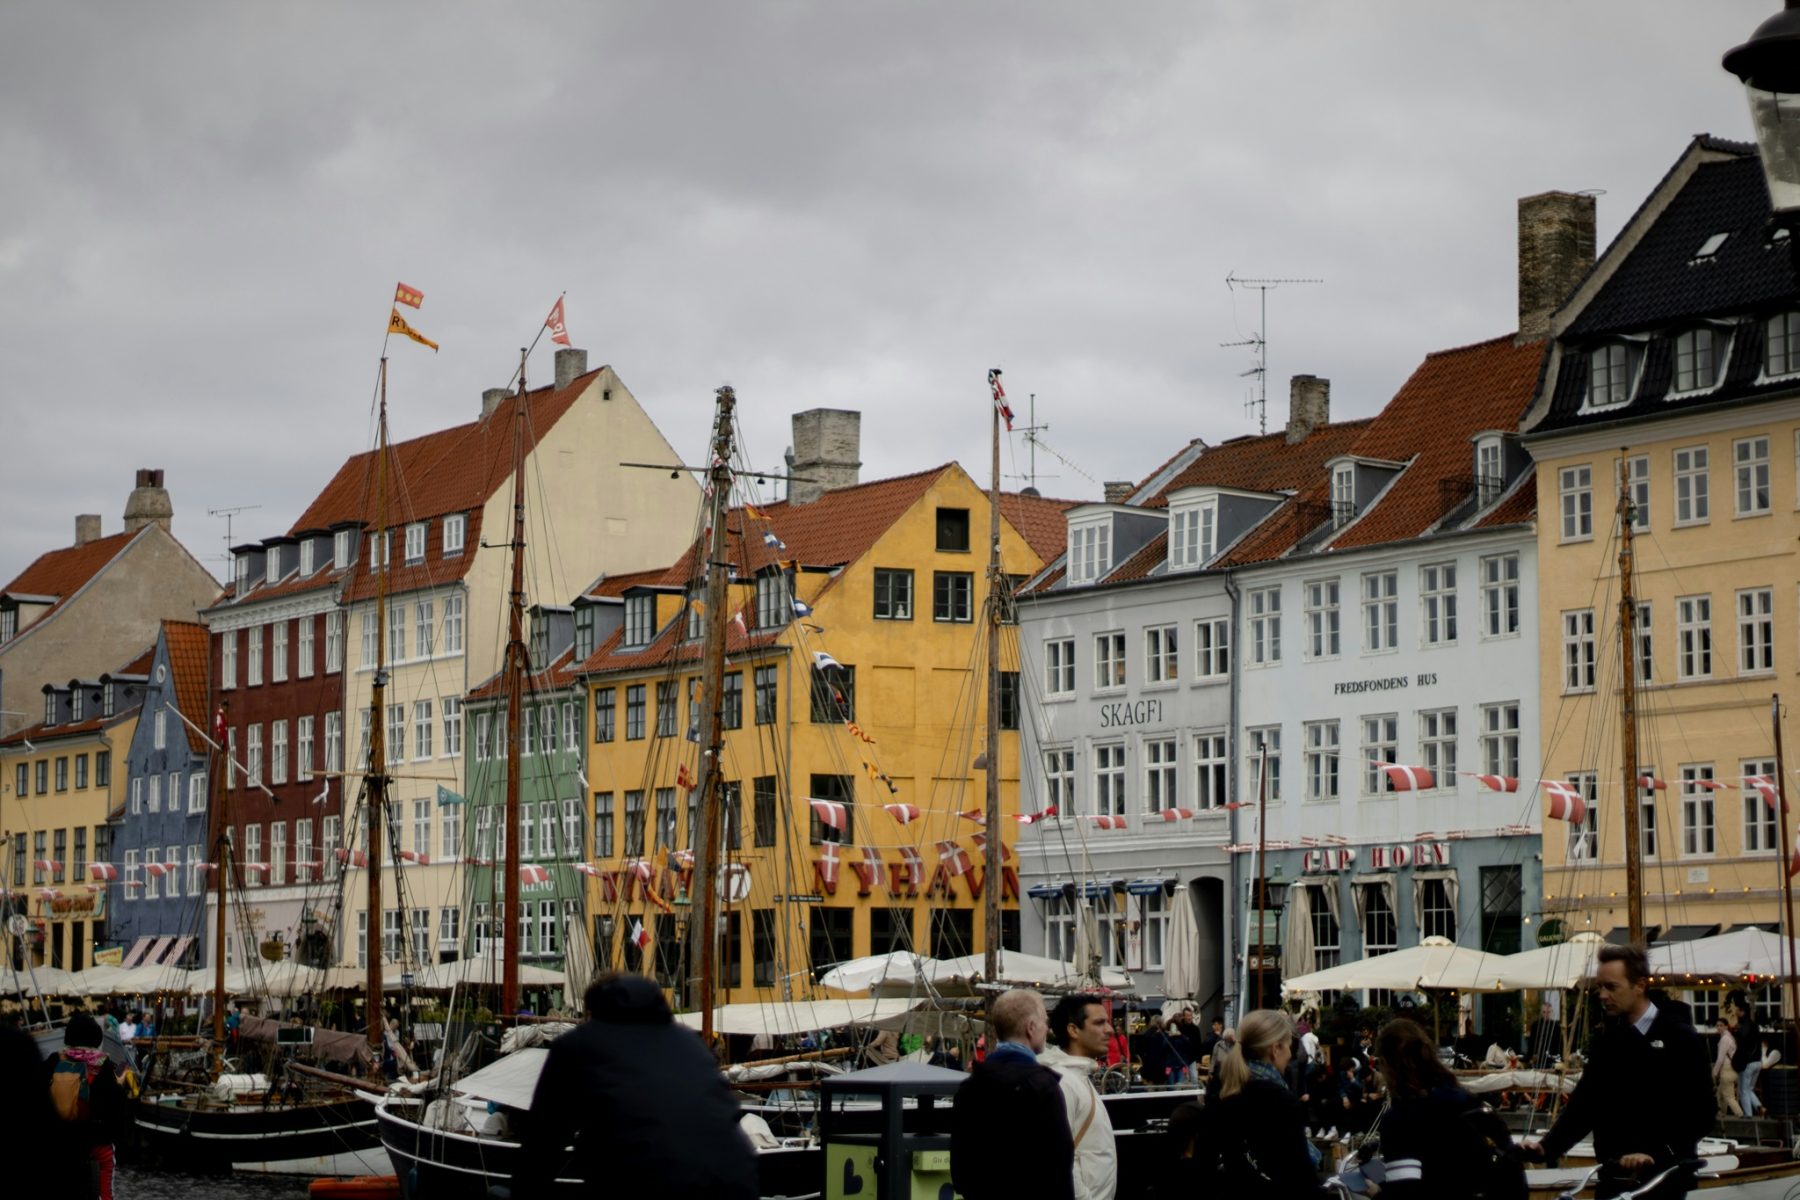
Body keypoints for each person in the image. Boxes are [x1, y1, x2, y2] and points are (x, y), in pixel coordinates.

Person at [513, 972, 757, 1199]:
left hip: (649, 1183)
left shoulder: (578, 1045)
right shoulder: (690, 1044)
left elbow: (544, 1142)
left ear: (591, 1011)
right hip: (737, 1180)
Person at [1522, 943, 1713, 1200]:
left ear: (1640, 986)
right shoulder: (1608, 1040)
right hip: (1613, 1179)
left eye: (1611, 987)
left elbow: (1701, 1113)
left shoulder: (1680, 1038)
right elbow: (1584, 1107)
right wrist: (1544, 1148)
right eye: (1600, 986)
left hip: (1664, 1181)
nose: (1602, 995)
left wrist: (1657, 1154)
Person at [1369, 1017, 1526, 1199]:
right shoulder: (1464, 1099)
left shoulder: (1401, 1119)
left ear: (1388, 1064)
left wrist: (1377, 1194)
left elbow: (1404, 1192)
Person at [950, 989, 1074, 1200]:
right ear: (1031, 1027)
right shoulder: (1042, 1086)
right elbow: (1059, 1167)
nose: (1047, 1028)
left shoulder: (970, 1087)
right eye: (1045, 1021)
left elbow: (960, 1171)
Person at [1196, 1008, 1326, 1198]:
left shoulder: (1221, 1089)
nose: (1290, 1053)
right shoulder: (1280, 1101)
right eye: (1289, 1046)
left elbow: (1204, 1161)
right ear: (1275, 1049)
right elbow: (1300, 1177)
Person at [1042, 995, 1118, 1200]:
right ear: (1073, 1030)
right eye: (1099, 1022)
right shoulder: (1064, 1081)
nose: (1109, 1030)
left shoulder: (1077, 1077)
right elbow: (1059, 1155)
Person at [47, 1012, 129, 1200]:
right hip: (97, 1143)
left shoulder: (55, 1060)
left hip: (62, 1142)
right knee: (104, 1193)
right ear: (95, 1036)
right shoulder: (102, 1063)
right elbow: (116, 1105)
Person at [1727, 993, 1762, 1118]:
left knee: (1743, 1091)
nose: (1736, 1012)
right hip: (1758, 1061)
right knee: (1749, 1089)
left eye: (1737, 1010)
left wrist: (1732, 1029)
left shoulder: (1746, 1024)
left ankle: (1748, 1116)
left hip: (1748, 1063)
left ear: (1742, 1011)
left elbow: (1742, 1037)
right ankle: (1760, 1107)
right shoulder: (1754, 1025)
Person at [1712, 1019, 1741, 1117]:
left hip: (1727, 1069)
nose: (1719, 1028)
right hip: (1732, 1069)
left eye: (1721, 1025)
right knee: (1720, 1094)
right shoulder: (1730, 1037)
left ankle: (1740, 1114)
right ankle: (1722, 1113)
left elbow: (1720, 1058)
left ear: (1726, 1027)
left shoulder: (1725, 1039)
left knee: (1729, 1096)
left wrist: (1714, 1072)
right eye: (1717, 1025)